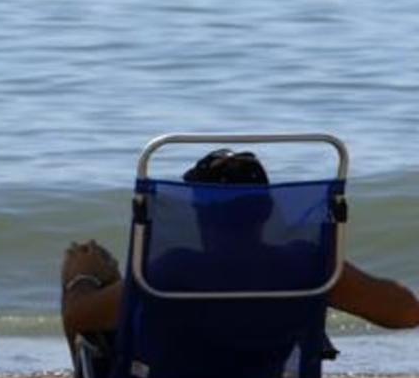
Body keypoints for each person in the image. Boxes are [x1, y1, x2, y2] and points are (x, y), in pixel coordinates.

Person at [62, 149, 419, 355]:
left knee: (89, 273)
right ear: (266, 209)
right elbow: (407, 313)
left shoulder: (172, 268)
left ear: (195, 211)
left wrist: (80, 274)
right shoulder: (304, 264)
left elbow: (79, 319)